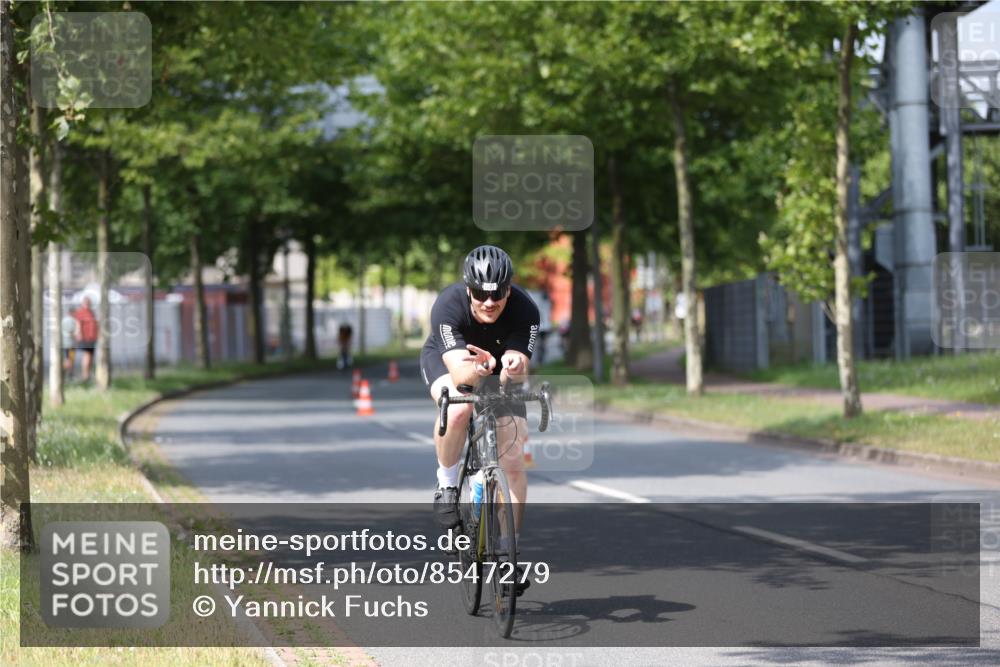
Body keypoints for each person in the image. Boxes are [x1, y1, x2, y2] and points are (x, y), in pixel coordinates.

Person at [420, 245, 539, 592]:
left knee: (514, 456)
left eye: (498, 293)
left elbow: (517, 369)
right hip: (450, 364)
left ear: (509, 289)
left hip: (495, 369)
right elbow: (460, 376)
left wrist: (512, 369)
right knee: (459, 407)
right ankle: (446, 482)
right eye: (480, 294)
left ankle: (508, 552)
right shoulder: (448, 304)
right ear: (467, 288)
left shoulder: (525, 309)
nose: (489, 302)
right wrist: (481, 367)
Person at [73, 296, 99, 382]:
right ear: (83, 303)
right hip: (85, 338)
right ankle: (85, 376)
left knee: (91, 356)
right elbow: (77, 324)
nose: (88, 304)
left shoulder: (91, 312)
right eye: (86, 302)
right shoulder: (80, 312)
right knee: (87, 355)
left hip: (92, 337)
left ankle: (88, 374)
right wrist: (78, 334)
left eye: (89, 302)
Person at [61, 310, 78, 379]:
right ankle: (68, 373)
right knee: (69, 359)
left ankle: (68, 373)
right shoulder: (71, 320)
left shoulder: (64, 320)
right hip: (68, 344)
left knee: (68, 359)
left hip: (68, 344)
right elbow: (71, 332)